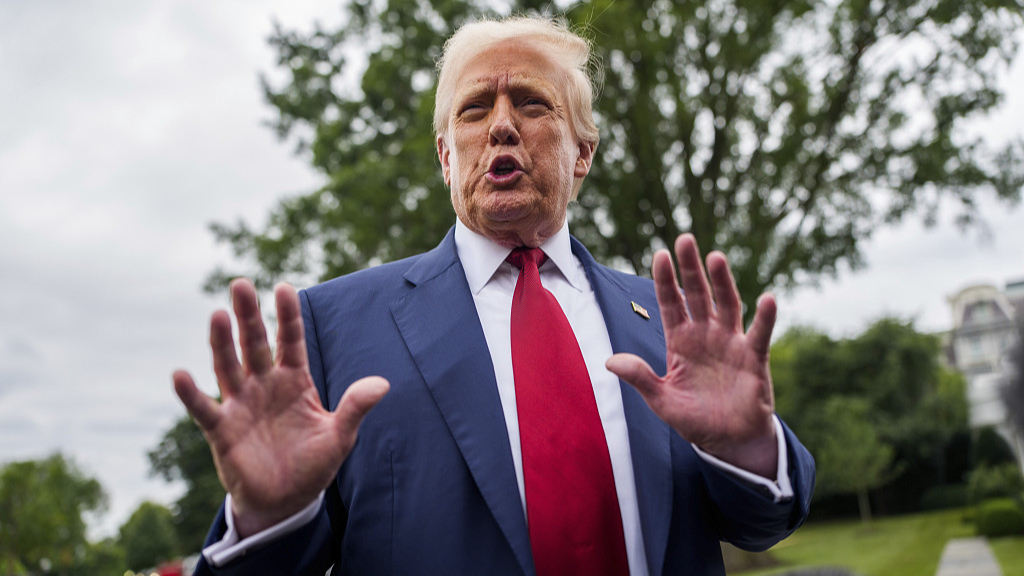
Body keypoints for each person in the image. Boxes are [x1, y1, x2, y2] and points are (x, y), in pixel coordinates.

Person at [174, 16, 814, 576]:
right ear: (447, 156)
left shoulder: (671, 326)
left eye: (533, 104)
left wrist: (745, 450)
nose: (501, 125)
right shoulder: (334, 325)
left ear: (582, 152)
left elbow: (762, 525)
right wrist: (269, 516)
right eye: (475, 109)